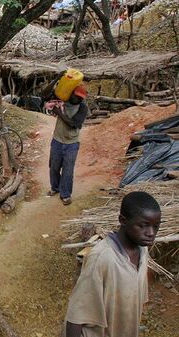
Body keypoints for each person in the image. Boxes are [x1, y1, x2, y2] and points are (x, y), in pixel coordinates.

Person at [63, 191, 161, 337]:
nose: (151, 233)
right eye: (143, 225)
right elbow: (76, 316)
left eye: (156, 226)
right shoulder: (102, 258)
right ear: (123, 220)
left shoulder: (142, 250)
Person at [43, 77, 89, 205]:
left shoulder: (83, 108)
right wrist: (57, 77)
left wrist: (58, 112)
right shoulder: (63, 100)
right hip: (57, 140)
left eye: (81, 98)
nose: (78, 99)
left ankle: (66, 194)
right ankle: (55, 188)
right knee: (54, 167)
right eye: (77, 96)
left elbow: (73, 124)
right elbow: (44, 94)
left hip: (71, 144)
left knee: (68, 171)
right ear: (71, 93)